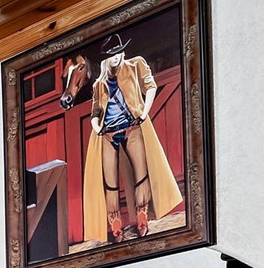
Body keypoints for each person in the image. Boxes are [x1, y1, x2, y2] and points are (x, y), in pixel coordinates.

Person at [62, 34, 184, 244]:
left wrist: (145, 111)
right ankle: (115, 223)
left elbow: (151, 86)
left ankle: (142, 216)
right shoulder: (99, 83)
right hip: (108, 134)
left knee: (141, 175)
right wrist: (96, 126)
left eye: (118, 53)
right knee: (109, 183)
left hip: (132, 127)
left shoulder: (135, 65)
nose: (116, 58)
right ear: (106, 59)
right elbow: (96, 110)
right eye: (111, 55)